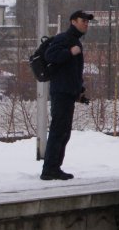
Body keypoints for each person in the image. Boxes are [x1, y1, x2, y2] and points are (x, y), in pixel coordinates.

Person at [40, 10, 94, 181]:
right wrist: (70, 52)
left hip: (67, 92)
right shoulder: (64, 39)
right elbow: (51, 55)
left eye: (87, 21)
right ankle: (49, 169)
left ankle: (55, 167)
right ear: (73, 21)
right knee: (59, 131)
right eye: (83, 20)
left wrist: (79, 90)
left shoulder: (74, 41)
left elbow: (72, 71)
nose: (86, 24)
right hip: (61, 93)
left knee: (64, 132)